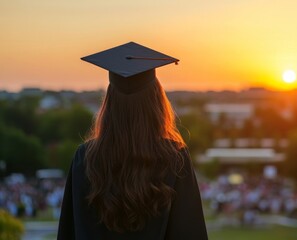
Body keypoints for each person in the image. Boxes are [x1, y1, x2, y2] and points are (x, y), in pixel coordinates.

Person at [57, 42, 208, 240]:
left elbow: (69, 231)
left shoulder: (85, 157)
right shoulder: (173, 157)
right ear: (156, 102)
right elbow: (188, 230)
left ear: (109, 102)